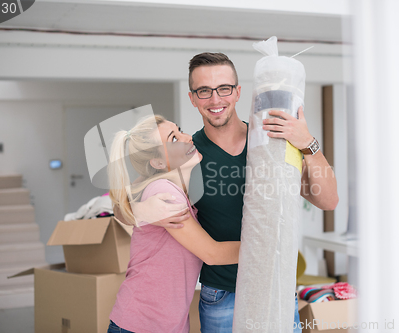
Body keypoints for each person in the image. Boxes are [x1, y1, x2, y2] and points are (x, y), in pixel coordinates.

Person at [139, 52, 339, 332]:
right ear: (192, 98)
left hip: (276, 288)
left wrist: (308, 143)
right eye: (204, 91)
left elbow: (328, 200)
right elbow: (132, 190)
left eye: (224, 88)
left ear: (237, 92)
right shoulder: (186, 155)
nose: (215, 99)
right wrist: (140, 210)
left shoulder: (271, 143)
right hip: (222, 295)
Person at [107, 115, 241, 333]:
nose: (187, 138)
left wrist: (136, 210)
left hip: (166, 325)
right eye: (174, 139)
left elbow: (124, 200)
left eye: (179, 130)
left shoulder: (173, 188)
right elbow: (212, 254)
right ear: (158, 163)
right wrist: (268, 247)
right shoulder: (164, 192)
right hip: (141, 325)